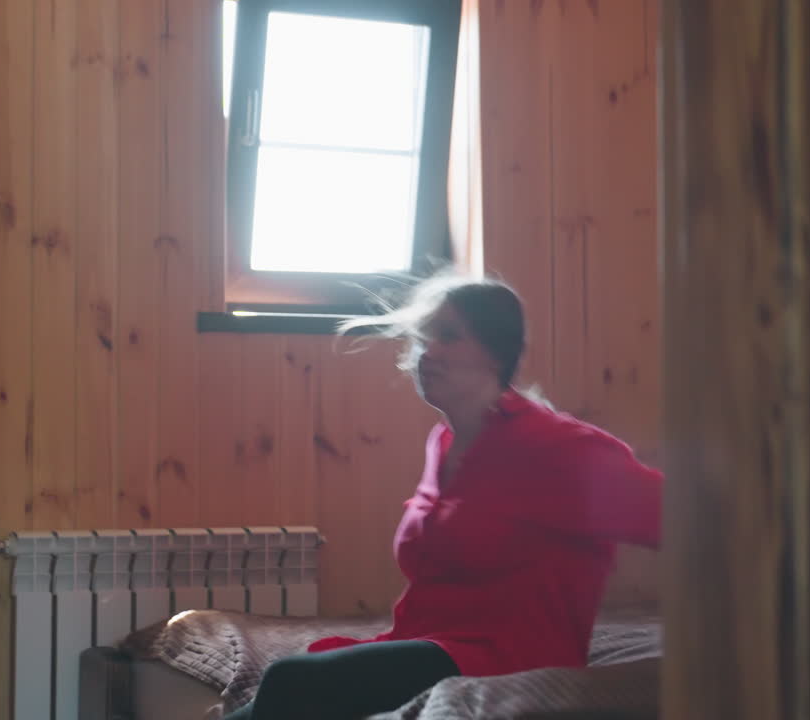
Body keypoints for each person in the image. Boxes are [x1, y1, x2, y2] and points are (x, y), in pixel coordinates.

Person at [224, 274, 663, 719]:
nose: (425, 353)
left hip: (506, 658)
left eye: (448, 337)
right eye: (422, 339)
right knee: (256, 703)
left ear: (495, 352)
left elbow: (682, 517)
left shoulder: (558, 447)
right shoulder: (444, 442)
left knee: (293, 680)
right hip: (430, 646)